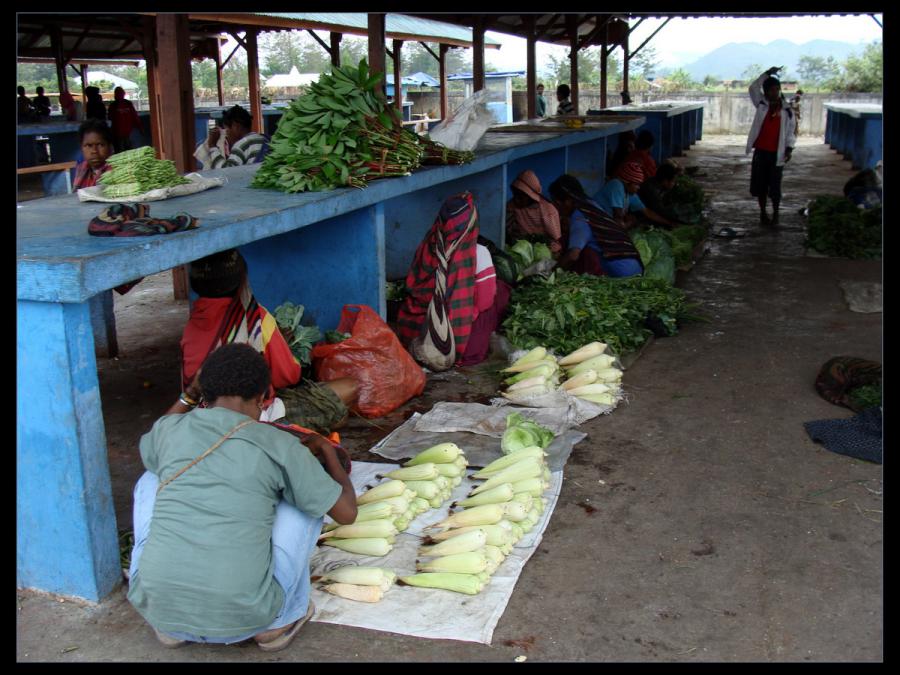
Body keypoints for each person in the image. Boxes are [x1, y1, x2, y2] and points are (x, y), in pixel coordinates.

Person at [127, 342, 357, 651]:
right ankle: (279, 623)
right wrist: (326, 450)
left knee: (150, 478)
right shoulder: (277, 444)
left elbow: (156, 435)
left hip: (157, 606)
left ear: (203, 393)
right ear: (263, 398)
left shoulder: (171, 431)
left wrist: (189, 395)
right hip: (248, 613)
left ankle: (176, 623)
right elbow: (346, 513)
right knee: (307, 497)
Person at [180, 248, 359, 437]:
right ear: (242, 280)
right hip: (254, 419)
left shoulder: (191, 327)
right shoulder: (255, 319)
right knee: (349, 387)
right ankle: (296, 429)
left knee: (339, 414)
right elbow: (289, 376)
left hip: (206, 419)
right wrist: (283, 347)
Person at [397, 192, 508, 369]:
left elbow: (413, 285)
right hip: (452, 341)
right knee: (501, 291)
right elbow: (485, 301)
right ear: (471, 223)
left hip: (416, 332)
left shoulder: (427, 246)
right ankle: (464, 347)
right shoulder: (478, 253)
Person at [550, 174, 643, 278]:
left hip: (622, 274)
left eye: (556, 203)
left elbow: (573, 256)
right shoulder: (592, 205)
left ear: (567, 202)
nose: (556, 209)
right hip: (637, 268)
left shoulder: (580, 216)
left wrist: (550, 273)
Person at [746, 66, 796, 226]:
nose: (774, 92)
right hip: (761, 152)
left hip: (777, 154)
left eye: (777, 89)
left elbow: (790, 132)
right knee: (760, 186)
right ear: (766, 91)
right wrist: (767, 73)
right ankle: (763, 212)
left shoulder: (787, 111)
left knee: (775, 186)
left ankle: (776, 213)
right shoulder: (761, 104)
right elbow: (752, 87)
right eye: (771, 90)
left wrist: (789, 149)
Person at [594, 161, 679, 230]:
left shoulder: (629, 193)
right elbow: (618, 220)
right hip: (595, 219)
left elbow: (648, 212)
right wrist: (630, 223)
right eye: (637, 184)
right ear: (628, 182)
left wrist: (669, 223)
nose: (639, 188)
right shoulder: (617, 185)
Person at [505, 169, 563, 254]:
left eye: (521, 197)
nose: (517, 200)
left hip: (548, 251)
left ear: (531, 197)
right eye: (515, 195)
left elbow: (556, 239)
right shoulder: (512, 206)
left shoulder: (548, 210)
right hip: (523, 250)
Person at [194, 104, 269, 169]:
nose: (227, 134)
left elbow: (226, 171)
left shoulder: (242, 145)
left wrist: (213, 146)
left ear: (236, 127)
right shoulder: (264, 138)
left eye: (227, 130)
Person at [72, 119, 114, 189]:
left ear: (110, 147)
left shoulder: (116, 171)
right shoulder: (81, 169)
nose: (94, 151)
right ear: (81, 148)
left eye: (100, 145)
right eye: (89, 145)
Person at [107, 86, 142, 153]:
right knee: (122, 151)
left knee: (125, 151)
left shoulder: (125, 104)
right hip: (119, 134)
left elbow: (135, 117)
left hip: (127, 133)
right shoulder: (114, 105)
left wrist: (140, 128)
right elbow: (135, 117)